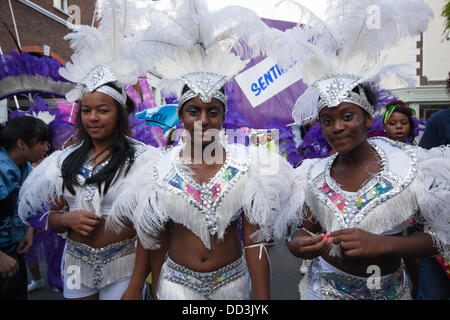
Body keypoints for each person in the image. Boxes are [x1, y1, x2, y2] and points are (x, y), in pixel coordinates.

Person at [107, 0, 291, 300]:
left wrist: (262, 300)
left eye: (213, 111)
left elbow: (255, 242)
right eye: (194, 110)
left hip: (232, 287)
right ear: (181, 116)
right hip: (176, 287)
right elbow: (153, 236)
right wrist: (137, 288)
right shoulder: (157, 170)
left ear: (223, 116)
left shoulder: (249, 165)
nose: (203, 120)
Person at [271, 0, 450, 300]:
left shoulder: (406, 165)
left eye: (347, 116)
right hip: (323, 291)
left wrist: (384, 244)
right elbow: (304, 229)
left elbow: (437, 238)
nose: (337, 127)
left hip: (390, 291)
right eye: (328, 120)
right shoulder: (313, 173)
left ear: (368, 118)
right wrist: (297, 243)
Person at [18, 9, 157, 299]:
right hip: (76, 266)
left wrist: (136, 285)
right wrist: (64, 221)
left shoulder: (143, 160)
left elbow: (150, 229)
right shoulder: (64, 159)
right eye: (86, 110)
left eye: (103, 110)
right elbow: (48, 214)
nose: (93, 117)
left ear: (119, 115)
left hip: (123, 267)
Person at [0, 116, 49, 300]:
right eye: (42, 143)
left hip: (12, 253)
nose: (46, 148)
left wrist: (27, 229)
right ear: (21, 144)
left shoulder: (25, 169)